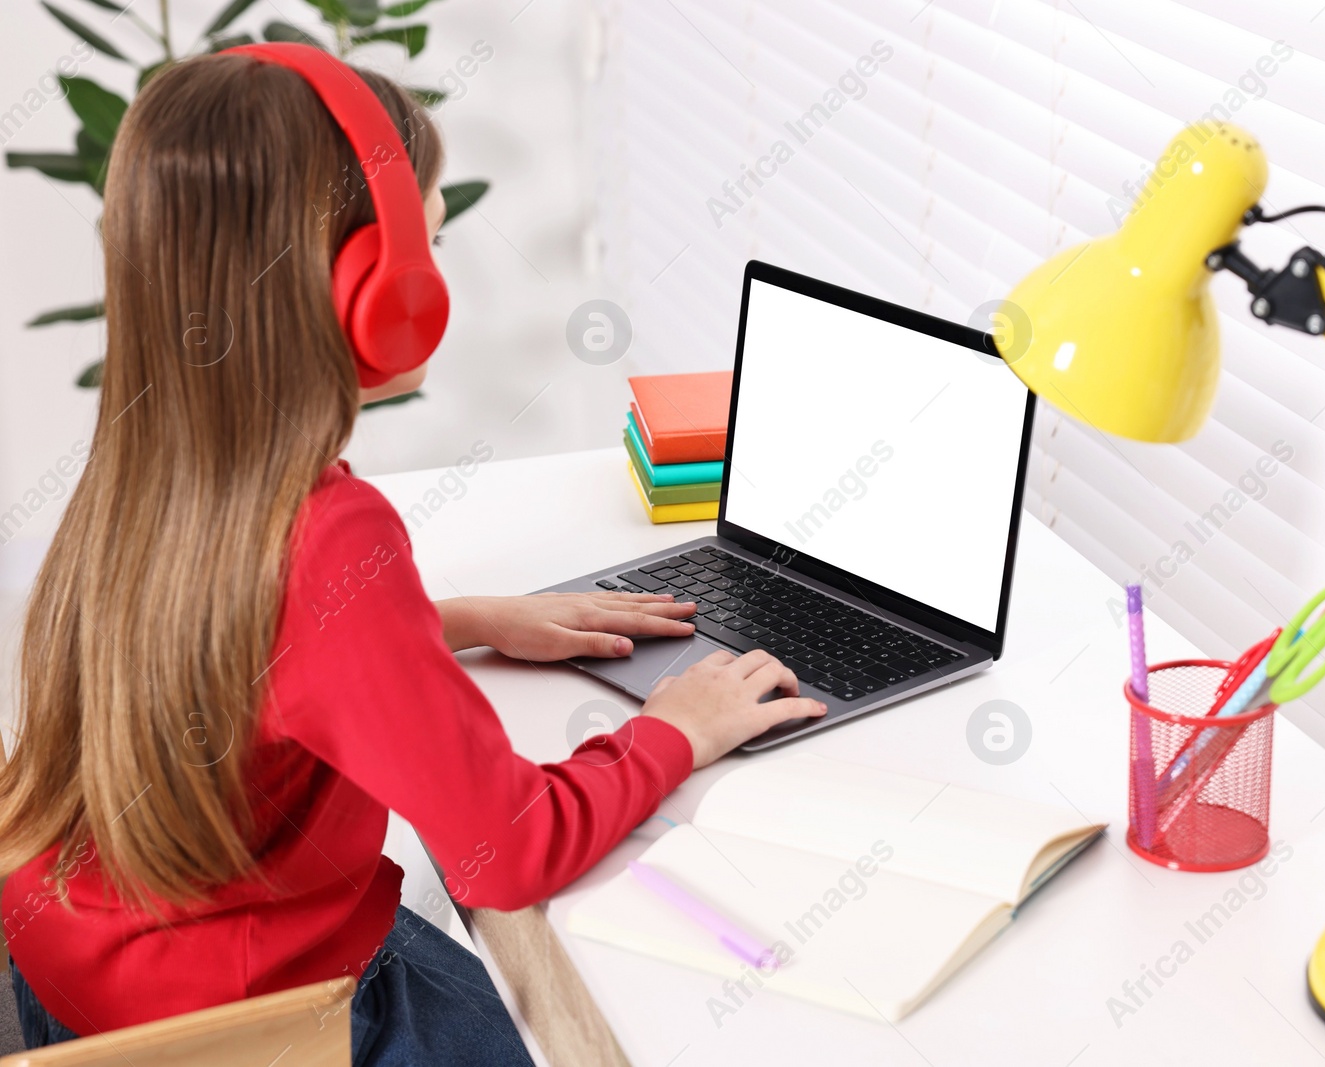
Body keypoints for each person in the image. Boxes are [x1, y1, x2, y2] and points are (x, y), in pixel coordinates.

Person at [0, 48, 823, 1065]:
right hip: (256, 1027)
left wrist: (459, 619)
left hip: (82, 993)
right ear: (362, 291)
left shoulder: (146, 460)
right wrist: (673, 731)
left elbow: (235, 647)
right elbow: (506, 851)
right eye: (425, 250)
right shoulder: (328, 532)